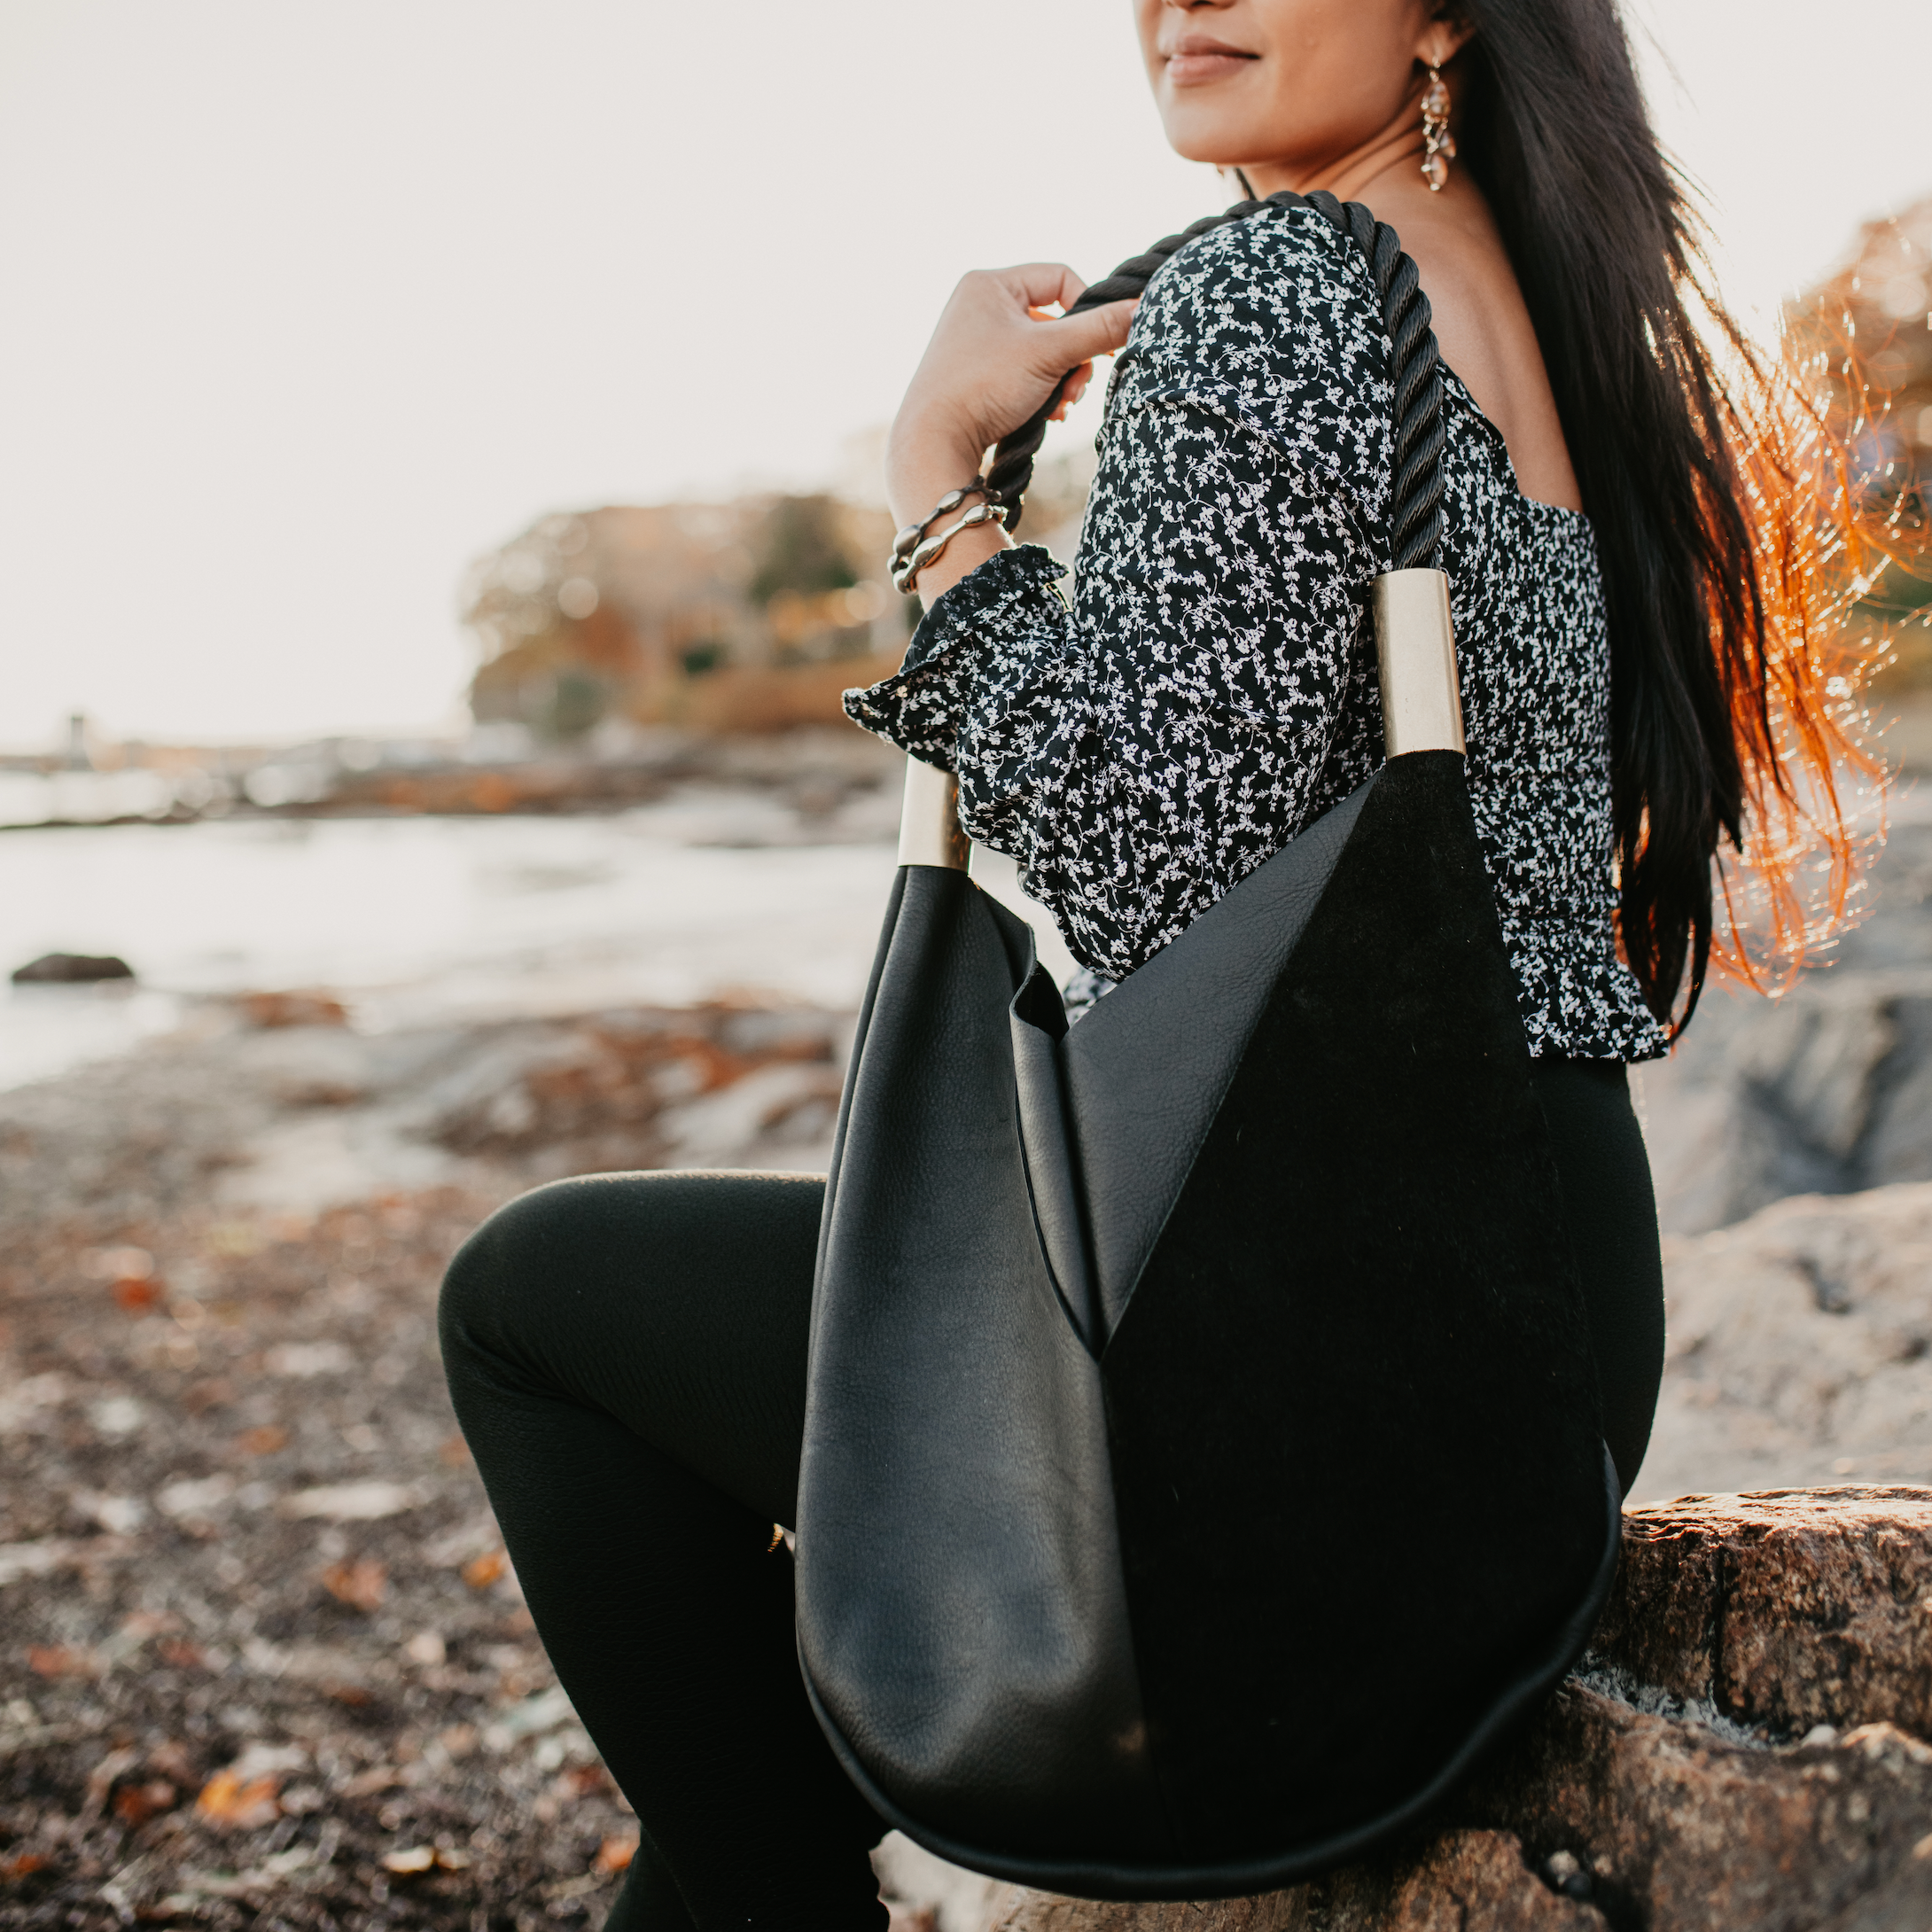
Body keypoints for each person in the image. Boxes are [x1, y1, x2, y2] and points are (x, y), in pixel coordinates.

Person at [439, 2, 1873, 1925]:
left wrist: (940, 484)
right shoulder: (1517, 296)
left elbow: (1145, 871)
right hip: (1541, 1335)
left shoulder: (1275, 285)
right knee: (706, 1805)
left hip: (1311, 1354)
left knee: (529, 1304)